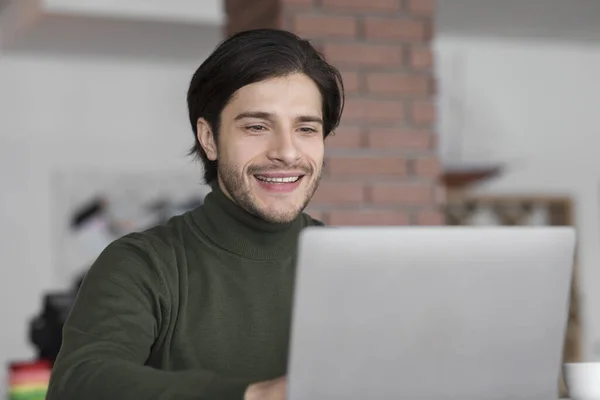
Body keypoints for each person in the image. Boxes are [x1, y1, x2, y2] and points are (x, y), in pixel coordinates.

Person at [46, 28, 345, 400]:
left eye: (305, 128)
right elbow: (79, 383)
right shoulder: (142, 264)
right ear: (209, 138)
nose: (286, 151)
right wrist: (255, 396)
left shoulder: (348, 268)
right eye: (256, 126)